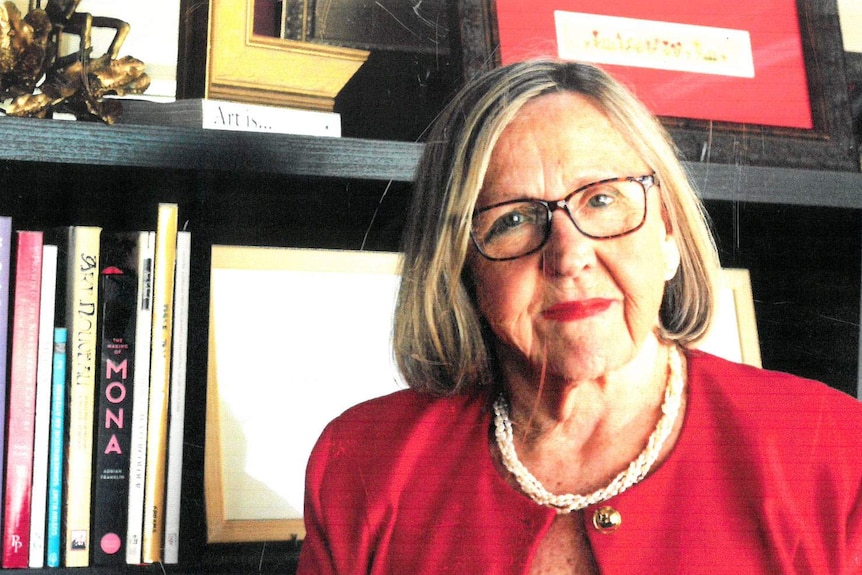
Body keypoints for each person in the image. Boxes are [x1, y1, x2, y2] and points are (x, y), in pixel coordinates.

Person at [296, 59, 862, 574]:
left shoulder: (833, 450)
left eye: (603, 200)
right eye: (514, 219)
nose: (568, 257)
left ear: (667, 233)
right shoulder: (362, 462)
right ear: (462, 269)